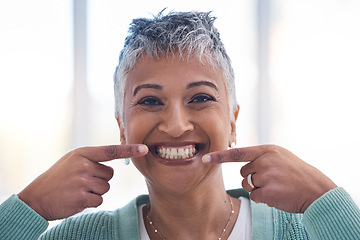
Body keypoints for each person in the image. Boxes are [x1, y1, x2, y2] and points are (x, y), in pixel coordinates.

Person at [1, 10, 360, 240]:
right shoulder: (79, 238)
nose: (175, 126)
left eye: (201, 98)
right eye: (150, 101)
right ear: (122, 128)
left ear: (232, 122)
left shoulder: (308, 232)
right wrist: (28, 208)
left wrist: (323, 200)